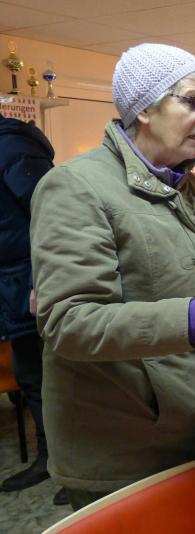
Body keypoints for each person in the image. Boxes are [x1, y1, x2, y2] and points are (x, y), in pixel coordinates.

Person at [29, 44, 195, 511]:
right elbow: (69, 322)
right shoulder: (75, 188)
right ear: (144, 108)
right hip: (125, 452)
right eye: (193, 102)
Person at [0, 113, 68, 504]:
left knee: (58, 378)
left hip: (33, 283)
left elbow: (55, 215)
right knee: (31, 377)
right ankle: (50, 459)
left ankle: (72, 467)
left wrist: (44, 280)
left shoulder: (11, 145)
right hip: (12, 283)